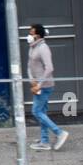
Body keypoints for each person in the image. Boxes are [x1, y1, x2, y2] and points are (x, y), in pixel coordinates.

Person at [27, 24, 67, 152]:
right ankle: (44, 141)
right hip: (38, 85)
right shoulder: (32, 47)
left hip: (45, 86)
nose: (29, 35)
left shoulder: (43, 48)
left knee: (36, 111)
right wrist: (32, 80)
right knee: (42, 112)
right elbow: (29, 65)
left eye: (31, 33)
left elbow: (49, 68)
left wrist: (39, 84)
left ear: (37, 35)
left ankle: (59, 132)